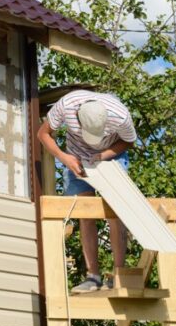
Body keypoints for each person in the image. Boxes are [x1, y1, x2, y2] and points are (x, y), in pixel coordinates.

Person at [37, 89, 137, 294]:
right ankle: (93, 277)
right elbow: (42, 133)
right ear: (78, 120)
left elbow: (128, 141)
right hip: (76, 158)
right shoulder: (66, 106)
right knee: (85, 212)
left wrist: (104, 155)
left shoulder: (120, 115)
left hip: (111, 156)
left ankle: (119, 274)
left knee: (115, 211)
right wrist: (64, 157)